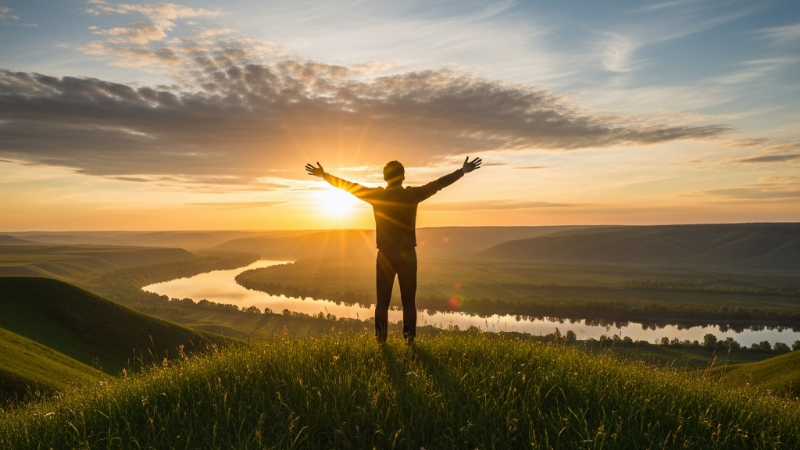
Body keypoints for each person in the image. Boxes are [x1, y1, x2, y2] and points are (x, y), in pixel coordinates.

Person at [305, 157, 482, 344]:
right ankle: (409, 340)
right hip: (407, 256)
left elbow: (348, 186)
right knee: (409, 303)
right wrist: (461, 171)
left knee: (382, 303)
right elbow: (437, 184)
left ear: (384, 177)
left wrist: (324, 175)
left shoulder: (377, 196)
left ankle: (381, 341)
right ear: (403, 177)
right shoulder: (411, 195)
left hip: (385, 256)